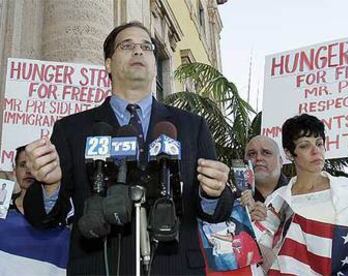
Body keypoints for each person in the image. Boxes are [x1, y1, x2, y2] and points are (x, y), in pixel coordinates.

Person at [23, 21, 234, 275]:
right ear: (109, 64)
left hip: (176, 267)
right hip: (97, 267)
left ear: (155, 65)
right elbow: (41, 218)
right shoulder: (71, 129)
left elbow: (218, 211)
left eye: (146, 47)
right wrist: (50, 186)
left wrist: (212, 193)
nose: (138, 51)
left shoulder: (192, 126)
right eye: (127, 46)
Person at [268, 113, 348, 274]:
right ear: (288, 153)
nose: (316, 151)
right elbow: (266, 254)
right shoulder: (276, 200)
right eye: (305, 145)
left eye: (319, 144)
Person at [0, 146, 70, 275]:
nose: (29, 171)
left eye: (34, 166)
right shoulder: (3, 213)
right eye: (23, 165)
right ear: (14, 171)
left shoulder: (66, 214)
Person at [241, 135, 288, 221]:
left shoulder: (296, 193)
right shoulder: (235, 201)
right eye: (252, 154)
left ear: (280, 161)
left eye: (266, 153)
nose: (258, 158)